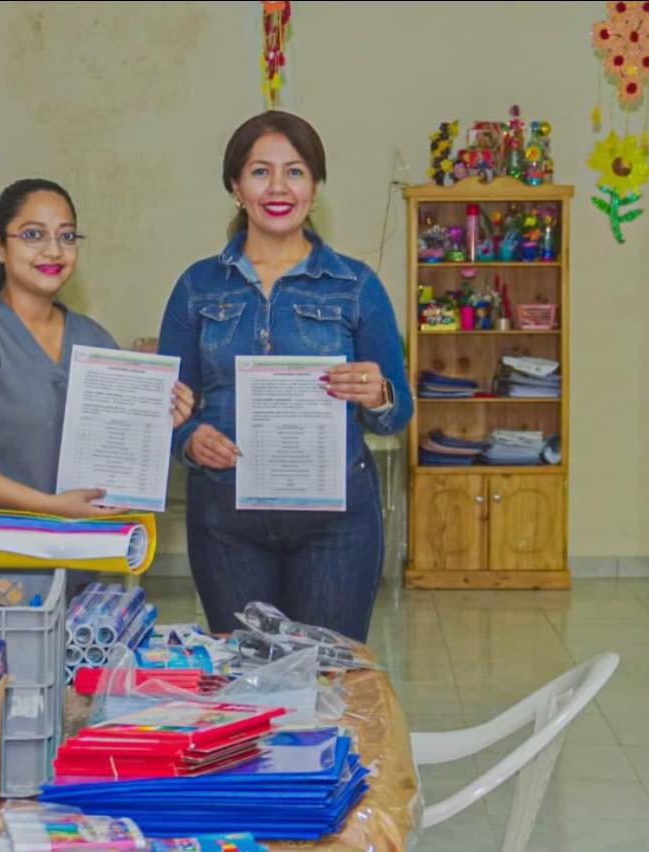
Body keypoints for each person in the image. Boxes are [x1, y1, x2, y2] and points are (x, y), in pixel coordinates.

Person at [158, 111, 414, 642]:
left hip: (336, 524)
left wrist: (379, 393)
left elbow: (398, 414)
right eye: (260, 172)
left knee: (328, 675)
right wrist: (189, 439)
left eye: (294, 172)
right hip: (225, 522)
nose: (278, 187)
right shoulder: (197, 287)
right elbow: (167, 408)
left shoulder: (356, 286)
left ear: (315, 188)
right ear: (236, 187)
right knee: (246, 675)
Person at [0, 178, 194, 517]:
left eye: (67, 236)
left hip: (78, 545)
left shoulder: (95, 341)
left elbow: (112, 458)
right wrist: (49, 507)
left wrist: (158, 420)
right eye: (33, 234)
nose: (53, 251)